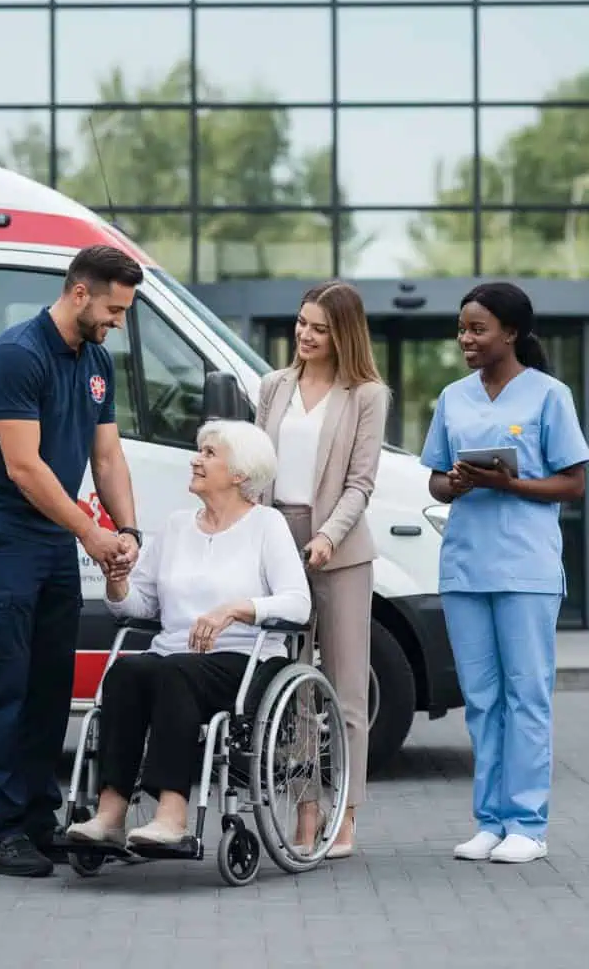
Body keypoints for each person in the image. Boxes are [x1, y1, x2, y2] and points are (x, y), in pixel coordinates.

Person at [0, 244, 145, 878]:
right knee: (3, 689)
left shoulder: (94, 362)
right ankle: (1, 832)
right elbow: (24, 467)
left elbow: (108, 456)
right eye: (115, 309)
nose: (119, 322)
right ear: (80, 293)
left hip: (52, 543)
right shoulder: (17, 355)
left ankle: (38, 818)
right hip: (4, 539)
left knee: (47, 690)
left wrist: (127, 530)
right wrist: (90, 534)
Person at [64, 419, 311, 849]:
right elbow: (137, 607)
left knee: (175, 673)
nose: (196, 460)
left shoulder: (266, 525)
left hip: (245, 659)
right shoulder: (177, 526)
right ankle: (110, 812)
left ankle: (172, 814)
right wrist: (116, 581)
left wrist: (237, 610)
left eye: (209, 454)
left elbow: (298, 603)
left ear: (239, 474)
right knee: (127, 673)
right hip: (175, 654)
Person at [420, 280, 589, 865]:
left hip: (526, 569)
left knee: (527, 696)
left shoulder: (549, 396)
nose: (466, 339)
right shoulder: (453, 397)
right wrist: (458, 482)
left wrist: (510, 483)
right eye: (462, 328)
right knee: (483, 698)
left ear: (511, 333)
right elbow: (436, 479)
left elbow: (574, 483)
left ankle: (528, 824)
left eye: (478, 329)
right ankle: (490, 822)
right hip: (466, 567)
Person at [256, 280, 388, 859]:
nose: (304, 335)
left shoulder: (366, 395)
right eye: (301, 322)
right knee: (293, 690)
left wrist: (328, 537)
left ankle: (346, 816)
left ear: (344, 334)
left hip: (339, 549)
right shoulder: (273, 386)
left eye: (318, 327)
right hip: (277, 539)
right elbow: (257, 467)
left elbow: (361, 483)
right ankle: (305, 815)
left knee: (345, 689)